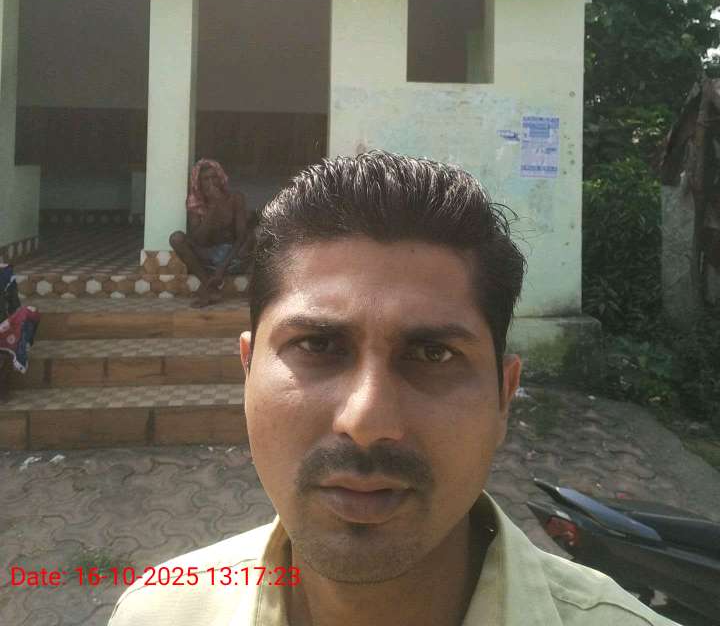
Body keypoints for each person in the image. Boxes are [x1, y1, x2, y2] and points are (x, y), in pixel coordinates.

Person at [111, 151, 677, 625]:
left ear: (504, 396)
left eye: (434, 354)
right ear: (247, 372)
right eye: (317, 345)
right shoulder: (156, 613)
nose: (366, 420)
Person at [170, 159, 254, 308]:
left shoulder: (235, 198)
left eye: (214, 177)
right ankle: (210, 287)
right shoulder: (195, 203)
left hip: (233, 259)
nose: (211, 182)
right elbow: (199, 240)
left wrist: (222, 269)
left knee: (256, 235)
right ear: (199, 183)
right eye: (205, 179)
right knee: (176, 238)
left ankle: (257, 291)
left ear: (220, 178)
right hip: (207, 261)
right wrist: (214, 208)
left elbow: (241, 236)